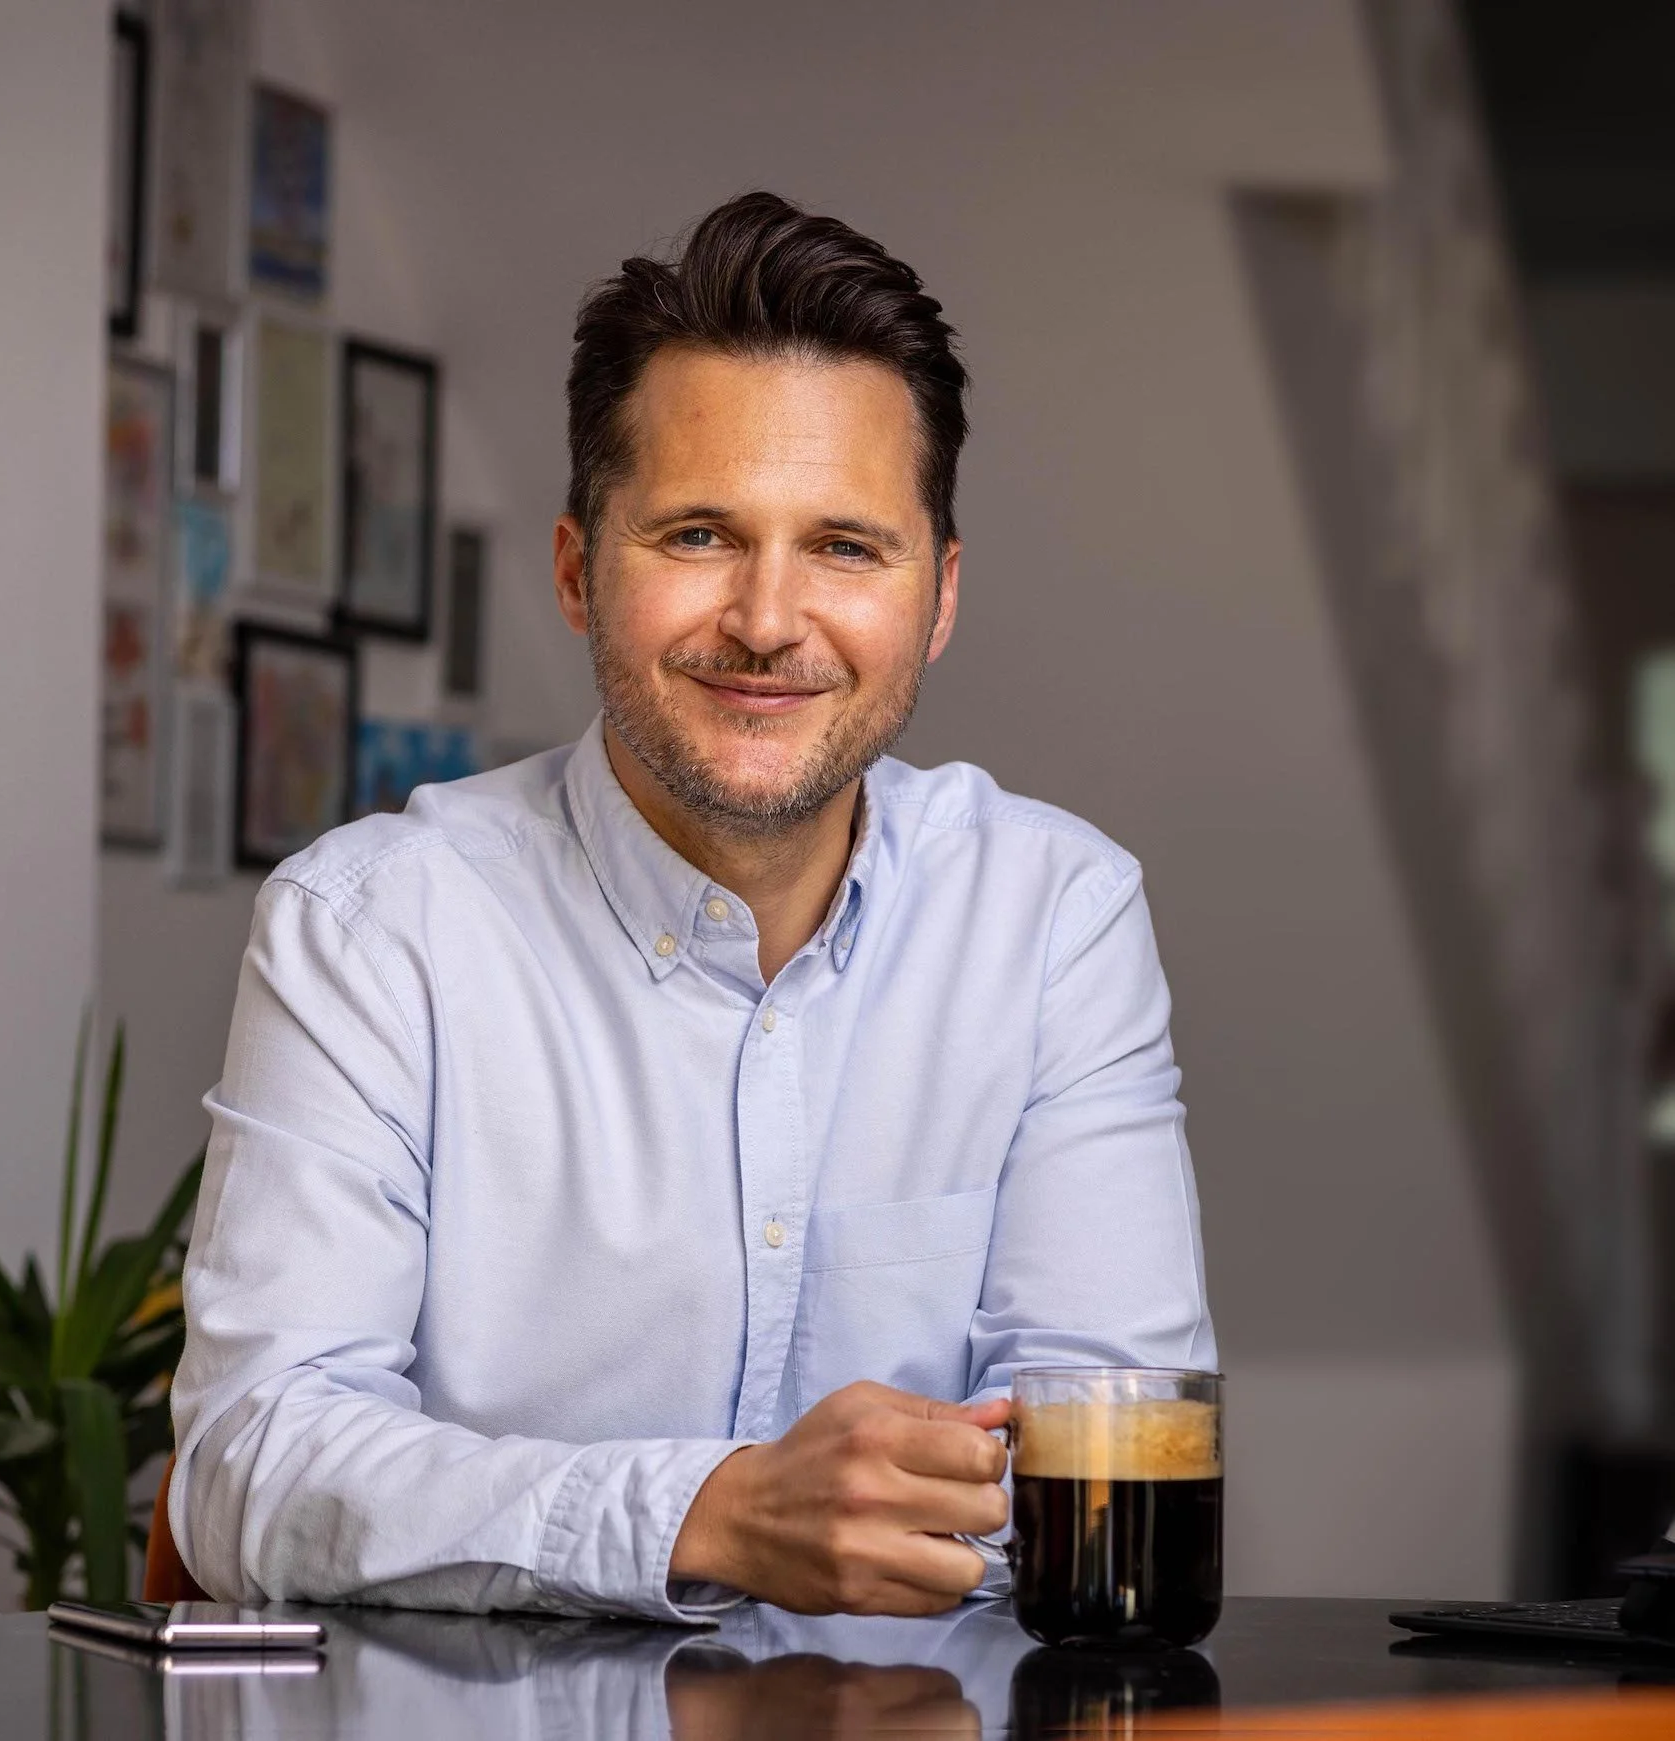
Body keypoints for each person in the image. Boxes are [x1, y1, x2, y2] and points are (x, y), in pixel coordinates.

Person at [168, 193, 1215, 1621]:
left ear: (941, 597)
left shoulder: (1055, 919)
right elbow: (252, 1462)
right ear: (575, 573)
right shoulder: (368, 932)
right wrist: (705, 1515)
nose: (771, 620)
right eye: (701, 535)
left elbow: (1106, 1475)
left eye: (847, 547)